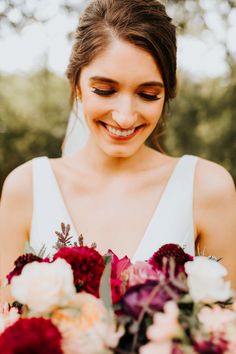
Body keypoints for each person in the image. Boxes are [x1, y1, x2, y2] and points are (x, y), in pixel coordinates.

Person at [0, 0, 236, 297]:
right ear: (77, 86)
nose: (124, 116)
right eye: (105, 90)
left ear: (168, 93)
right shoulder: (26, 188)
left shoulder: (207, 188)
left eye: (148, 95)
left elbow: (226, 330)